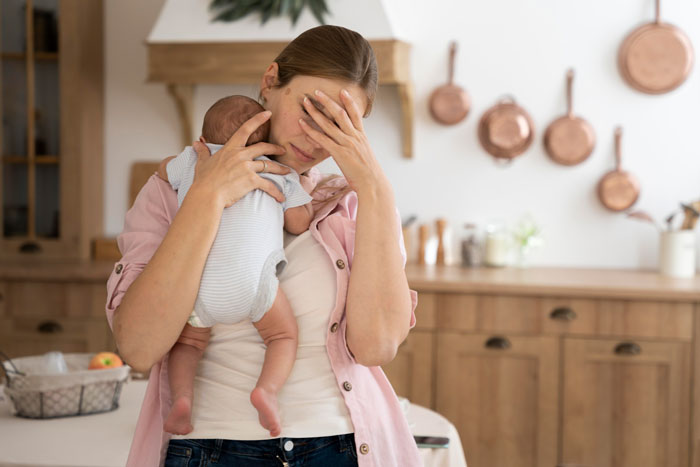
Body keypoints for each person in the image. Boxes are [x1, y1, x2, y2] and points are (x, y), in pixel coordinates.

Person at [106, 25, 421, 466]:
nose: (316, 139)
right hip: (207, 450)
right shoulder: (172, 190)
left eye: (341, 126)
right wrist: (207, 197)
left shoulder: (351, 205)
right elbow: (138, 347)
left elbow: (375, 346)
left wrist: (375, 187)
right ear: (270, 82)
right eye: (311, 112)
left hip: (341, 447)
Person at [156, 94, 315, 437]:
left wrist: (188, 155)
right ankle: (266, 391)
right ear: (269, 144)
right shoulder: (279, 171)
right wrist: (301, 189)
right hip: (253, 284)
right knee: (283, 335)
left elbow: (161, 171)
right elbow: (300, 223)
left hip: (197, 285)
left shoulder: (193, 161)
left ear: (202, 140)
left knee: (187, 344)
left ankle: (182, 400)